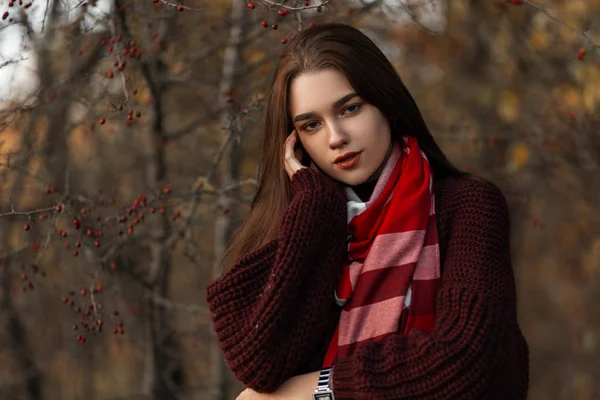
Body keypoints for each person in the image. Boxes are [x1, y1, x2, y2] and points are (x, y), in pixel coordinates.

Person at [206, 23, 529, 400]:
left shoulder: (467, 206)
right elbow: (257, 364)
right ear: (296, 142)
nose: (335, 137)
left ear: (387, 105)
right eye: (312, 125)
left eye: (350, 108)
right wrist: (311, 213)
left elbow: (466, 361)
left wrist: (320, 389)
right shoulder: (308, 226)